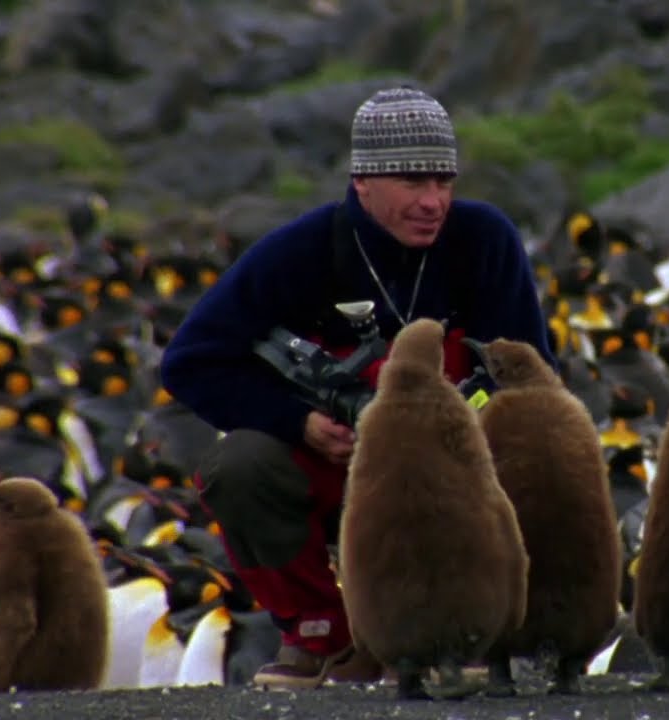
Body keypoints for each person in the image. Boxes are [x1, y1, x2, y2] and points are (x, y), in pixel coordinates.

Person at [159, 86, 558, 688]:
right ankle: (325, 634)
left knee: (542, 451)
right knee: (238, 466)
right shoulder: (302, 251)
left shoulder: (483, 240)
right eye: (412, 183)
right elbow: (190, 361)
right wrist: (299, 423)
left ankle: (482, 630)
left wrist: (460, 423)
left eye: (443, 182)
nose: (433, 202)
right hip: (336, 454)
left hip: (459, 467)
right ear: (363, 180)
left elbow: (532, 373)